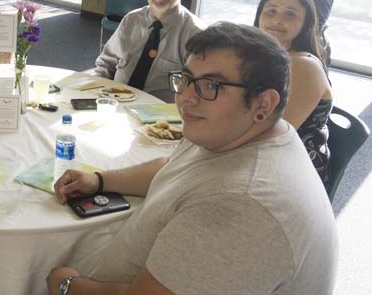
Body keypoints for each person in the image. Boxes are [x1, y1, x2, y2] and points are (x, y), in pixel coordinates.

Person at [49, 22, 338, 295]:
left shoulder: (244, 204)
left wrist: (67, 286)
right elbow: (174, 166)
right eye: (186, 79)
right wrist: (99, 180)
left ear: (264, 103)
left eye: (210, 85)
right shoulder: (240, 131)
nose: (186, 97)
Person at [254, 0, 334, 186]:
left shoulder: (303, 65)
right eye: (270, 11)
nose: (277, 20)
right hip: (261, 151)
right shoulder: (262, 57)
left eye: (290, 15)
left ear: (306, 23)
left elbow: (275, 133)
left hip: (294, 169)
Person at [94, 0, 204, 102]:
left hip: (159, 116)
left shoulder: (196, 34)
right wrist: (98, 96)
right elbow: (105, 63)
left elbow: (197, 90)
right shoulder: (131, 20)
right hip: (115, 102)